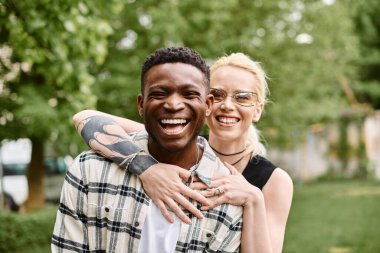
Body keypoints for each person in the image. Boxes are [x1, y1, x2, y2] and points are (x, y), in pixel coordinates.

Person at [73, 53, 293, 253]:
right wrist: (147, 169)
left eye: (242, 97)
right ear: (205, 103)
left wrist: (253, 198)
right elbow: (86, 118)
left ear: (258, 109)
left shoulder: (274, 181)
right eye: (217, 95)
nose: (227, 105)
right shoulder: (176, 141)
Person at [52, 47, 243, 253]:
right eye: (160, 94)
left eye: (189, 94)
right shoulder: (89, 170)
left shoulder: (227, 198)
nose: (173, 104)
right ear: (141, 105)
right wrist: (146, 168)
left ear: (207, 105)